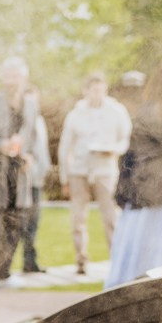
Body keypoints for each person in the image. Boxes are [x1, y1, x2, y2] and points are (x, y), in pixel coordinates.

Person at [103, 60, 162, 290]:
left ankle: (128, 283)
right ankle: (160, 286)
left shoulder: (144, 111)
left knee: (135, 241)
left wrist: (123, 185)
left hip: (140, 186)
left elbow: (130, 153)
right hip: (161, 189)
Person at [0, 56, 48, 289]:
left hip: (19, 174)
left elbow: (31, 137)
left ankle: (3, 271)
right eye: (8, 75)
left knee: (15, 222)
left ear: (25, 78)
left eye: (16, 76)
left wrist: (29, 155)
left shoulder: (31, 105)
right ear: (3, 79)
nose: (12, 80)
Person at [58, 71, 129, 278]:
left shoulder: (116, 112)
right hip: (79, 170)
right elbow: (65, 148)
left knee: (111, 217)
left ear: (105, 90)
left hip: (105, 169)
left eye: (100, 90)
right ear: (85, 91)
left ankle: (117, 260)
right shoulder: (75, 114)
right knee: (78, 217)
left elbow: (125, 140)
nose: (96, 94)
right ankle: (81, 259)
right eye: (93, 90)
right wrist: (65, 177)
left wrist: (113, 150)